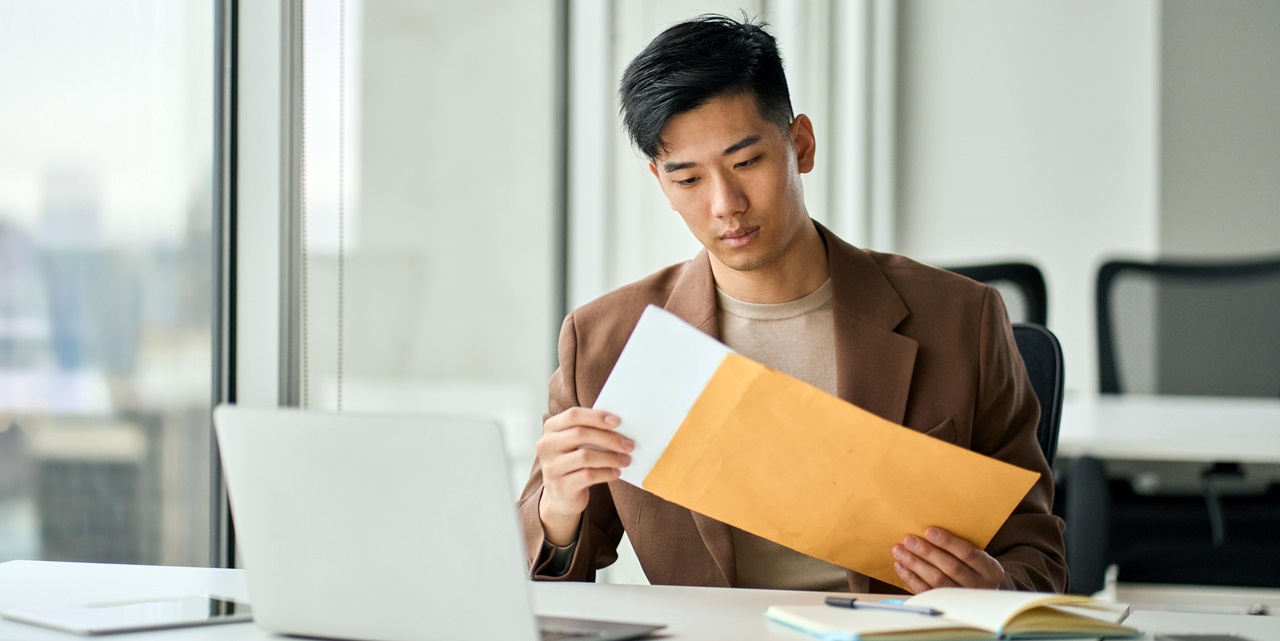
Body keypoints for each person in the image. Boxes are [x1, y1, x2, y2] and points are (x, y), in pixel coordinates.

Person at [516, 14, 1067, 594]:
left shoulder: (962, 319)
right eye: (688, 181)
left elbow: (1038, 552)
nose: (725, 203)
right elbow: (543, 582)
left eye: (746, 162)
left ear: (799, 145)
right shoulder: (607, 340)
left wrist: (995, 589)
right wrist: (557, 513)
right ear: (660, 182)